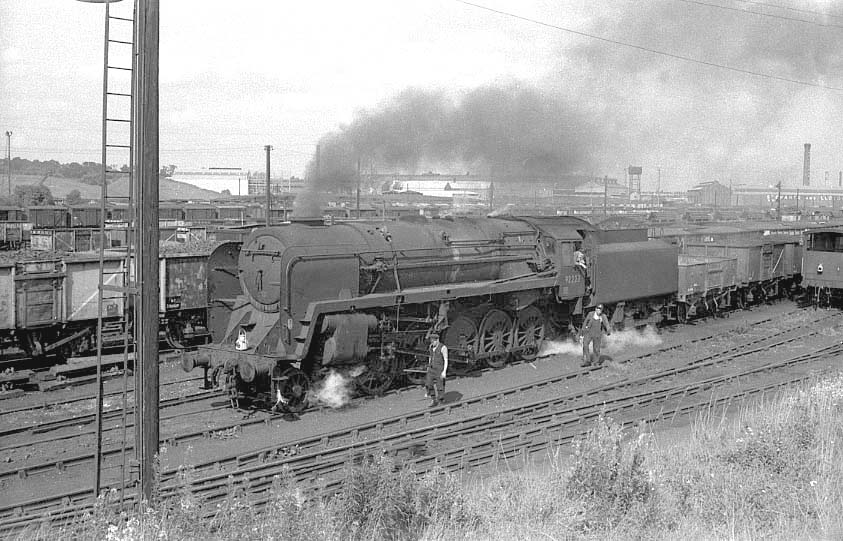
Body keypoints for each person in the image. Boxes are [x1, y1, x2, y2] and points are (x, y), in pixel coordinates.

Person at [425, 332, 448, 406]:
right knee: (428, 384)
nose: (432, 342)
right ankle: (433, 399)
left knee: (440, 386)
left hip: (439, 369)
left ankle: (441, 400)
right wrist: (429, 366)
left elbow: (446, 359)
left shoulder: (443, 348)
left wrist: (444, 371)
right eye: (431, 341)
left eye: (433, 341)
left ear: (437, 340)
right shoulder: (431, 347)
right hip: (431, 369)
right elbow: (430, 357)